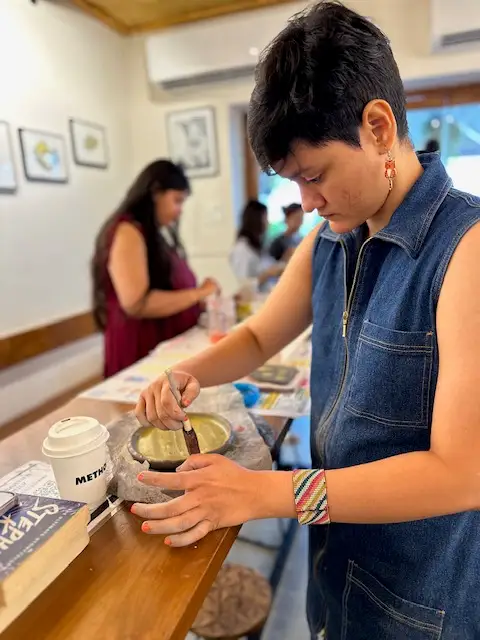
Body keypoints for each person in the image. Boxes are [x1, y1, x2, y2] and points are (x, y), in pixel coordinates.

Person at [133, 3, 480, 639]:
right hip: (335, 566)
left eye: (314, 176)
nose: (307, 202)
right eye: (294, 183)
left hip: (418, 596)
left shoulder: (466, 248)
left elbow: (462, 473)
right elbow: (258, 335)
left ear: (378, 127)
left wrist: (268, 492)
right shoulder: (329, 241)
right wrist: (184, 372)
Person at [92, 159, 219, 377]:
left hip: (164, 345)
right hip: (139, 349)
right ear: (155, 192)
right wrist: (198, 293)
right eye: (177, 201)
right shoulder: (128, 232)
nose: (179, 211)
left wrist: (200, 298)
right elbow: (136, 303)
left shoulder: (153, 235)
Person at [229, 200, 284, 287]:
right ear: (256, 220)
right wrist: (267, 274)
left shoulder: (257, 245)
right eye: (265, 218)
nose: (268, 223)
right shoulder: (241, 249)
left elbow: (268, 265)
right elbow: (244, 284)